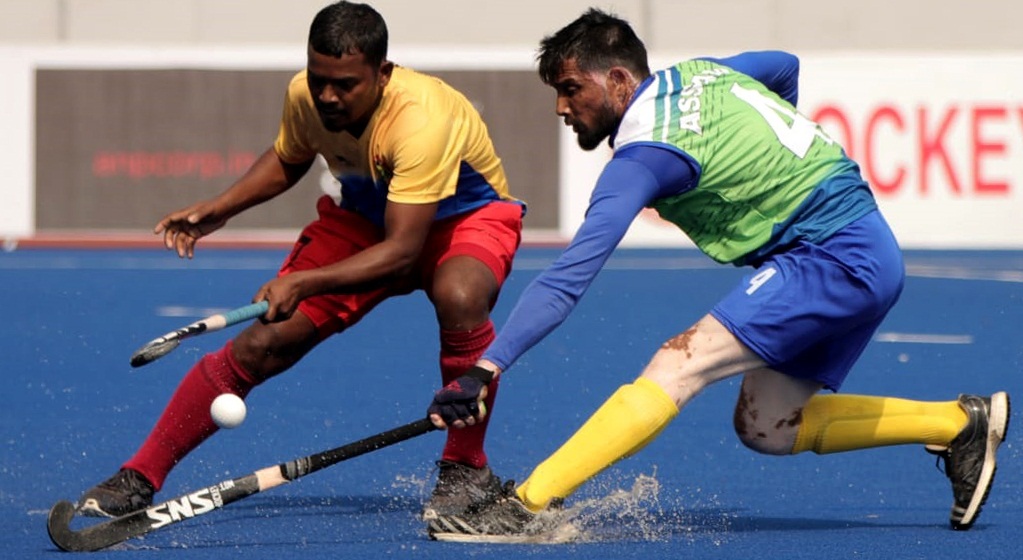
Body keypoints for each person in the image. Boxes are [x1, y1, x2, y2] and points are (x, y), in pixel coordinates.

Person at [423, 8, 1010, 538]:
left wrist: (485, 367)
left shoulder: (645, 155)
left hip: (831, 255)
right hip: (859, 246)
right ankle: (960, 422)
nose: (561, 108)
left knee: (679, 364)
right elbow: (783, 66)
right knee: (769, 428)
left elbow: (569, 276)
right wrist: (773, 166)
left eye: (572, 89)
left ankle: (527, 505)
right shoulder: (701, 73)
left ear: (620, 81)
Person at [77, 1, 524, 520]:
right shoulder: (304, 94)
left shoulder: (421, 119)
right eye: (319, 80)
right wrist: (219, 209)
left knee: (461, 295)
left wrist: (304, 281)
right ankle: (140, 474)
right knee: (264, 340)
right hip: (364, 217)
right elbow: (291, 155)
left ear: (382, 73)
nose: (328, 96)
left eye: (345, 85)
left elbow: (404, 250)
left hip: (464, 220)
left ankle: (466, 469)